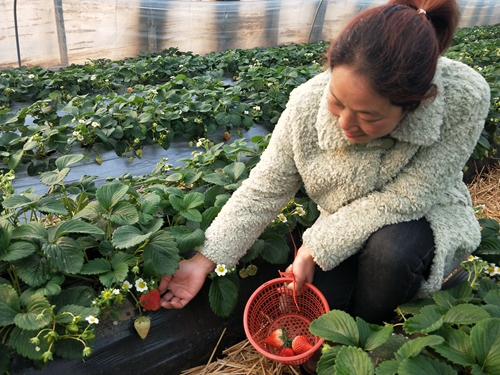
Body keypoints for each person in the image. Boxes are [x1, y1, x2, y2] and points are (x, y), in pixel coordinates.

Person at [160, 0, 490, 367]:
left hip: (423, 213)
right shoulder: (304, 106)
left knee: (392, 256)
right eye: (337, 102)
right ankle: (356, 336)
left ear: (413, 106)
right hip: (340, 222)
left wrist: (314, 248)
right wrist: (204, 260)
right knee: (319, 313)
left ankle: (371, 340)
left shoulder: (463, 97)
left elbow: (408, 196)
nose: (347, 124)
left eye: (369, 116)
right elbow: (264, 188)